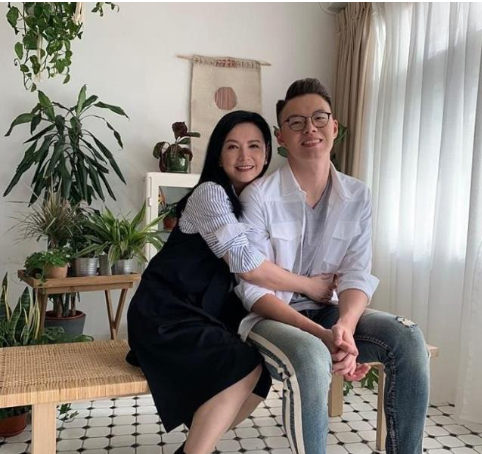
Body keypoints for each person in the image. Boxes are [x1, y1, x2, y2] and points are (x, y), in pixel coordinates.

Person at [127, 110, 348, 454]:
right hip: (165, 311)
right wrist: (309, 286)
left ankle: (195, 446)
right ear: (218, 155)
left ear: (267, 152)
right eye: (232, 147)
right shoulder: (211, 194)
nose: (245, 156)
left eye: (254, 146)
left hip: (203, 314)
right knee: (241, 365)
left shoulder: (257, 200)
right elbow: (246, 264)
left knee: (259, 380)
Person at [235, 79, 430, 454]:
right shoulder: (259, 196)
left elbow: (356, 272)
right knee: (311, 356)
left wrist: (345, 328)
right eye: (296, 122)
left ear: (334, 126)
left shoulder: (357, 195)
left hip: (330, 312)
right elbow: (252, 287)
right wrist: (322, 336)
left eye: (319, 118)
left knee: (407, 338)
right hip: (270, 317)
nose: (310, 128)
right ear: (281, 136)